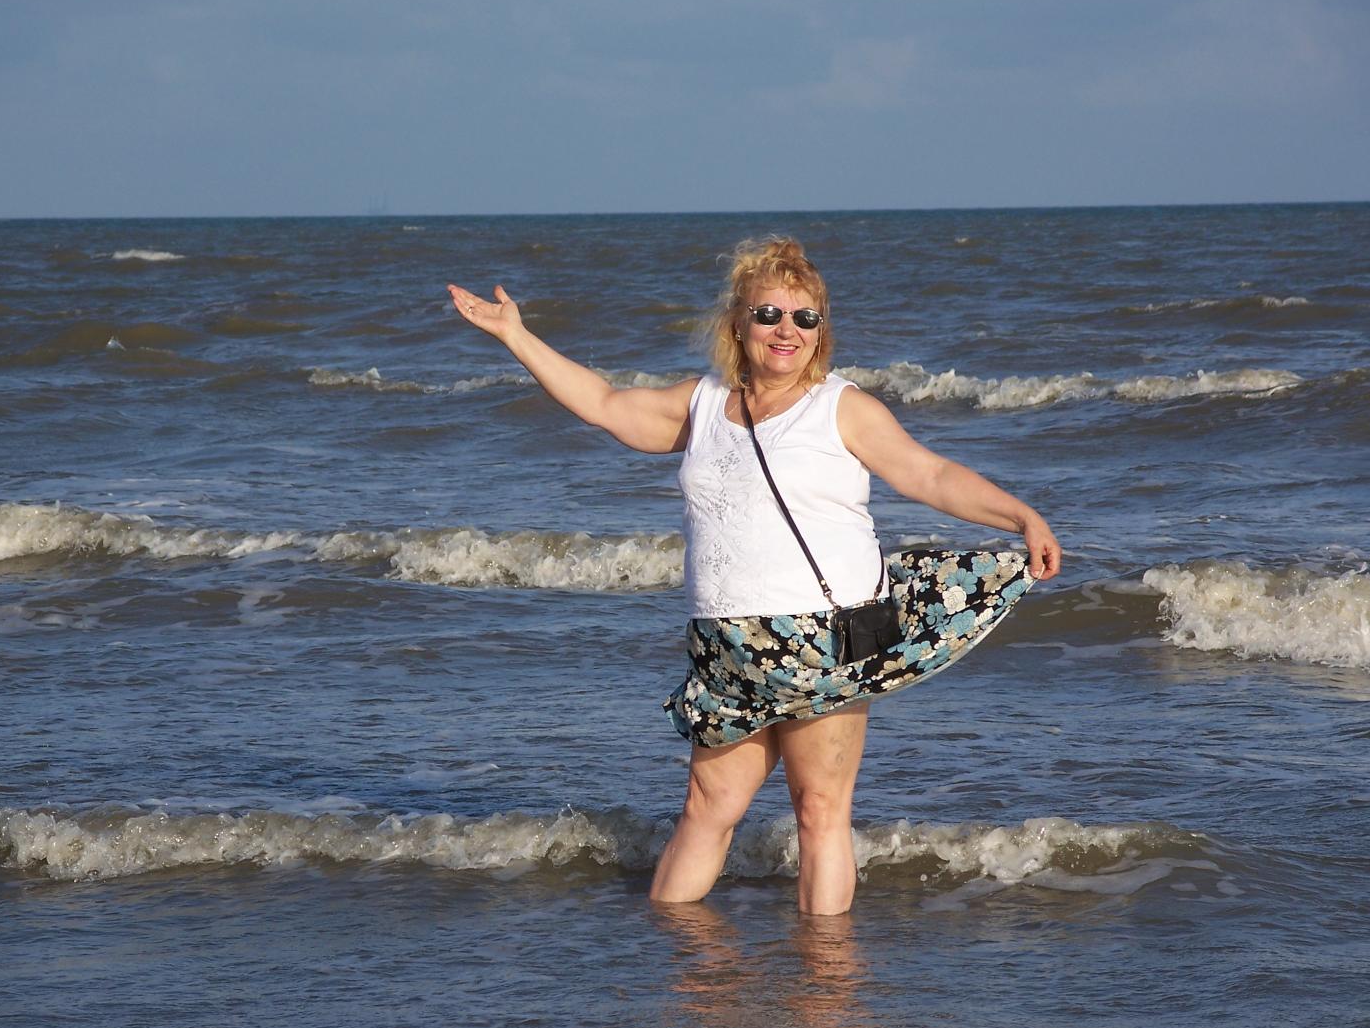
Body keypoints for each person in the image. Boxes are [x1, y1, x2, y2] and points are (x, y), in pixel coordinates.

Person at [447, 237, 1060, 915]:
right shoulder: (704, 404)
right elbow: (603, 402)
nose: (786, 330)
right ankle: (676, 958)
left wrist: (1020, 516)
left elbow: (930, 474)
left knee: (818, 808)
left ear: (821, 330)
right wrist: (516, 335)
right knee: (707, 807)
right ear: (737, 322)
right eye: (768, 314)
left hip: (821, 639)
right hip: (726, 646)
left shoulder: (840, 407)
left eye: (805, 317)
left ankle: (825, 968)